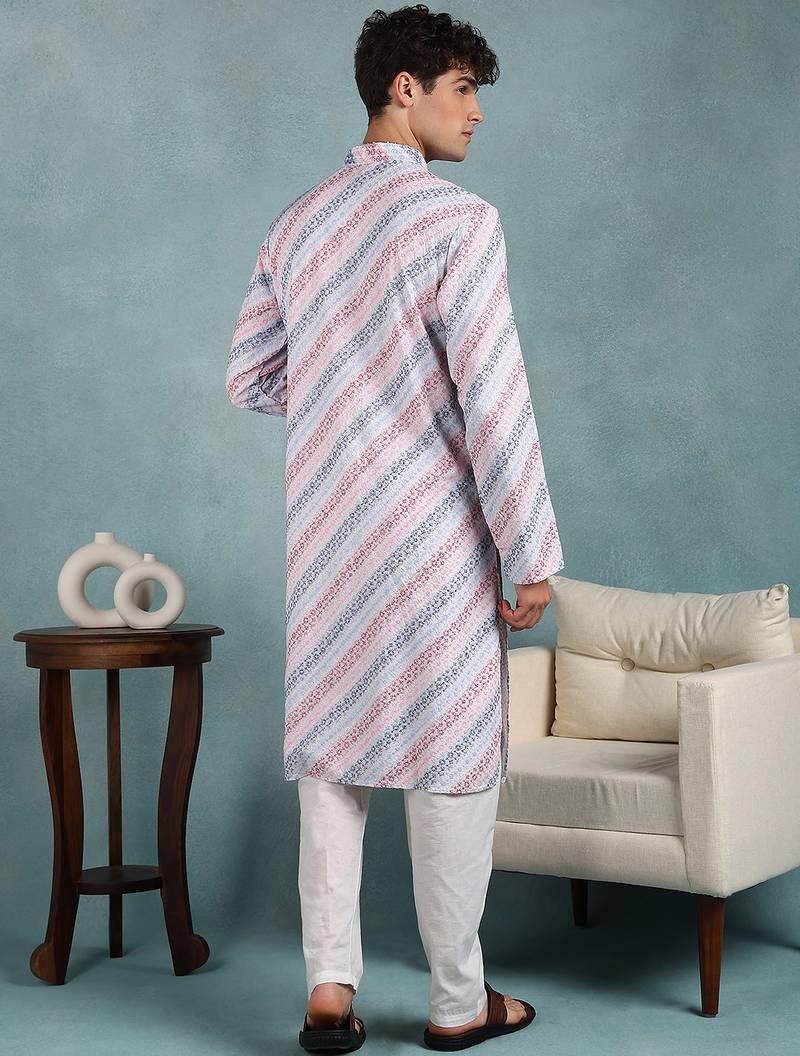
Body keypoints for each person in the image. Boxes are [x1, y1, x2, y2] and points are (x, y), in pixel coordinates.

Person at [227, 5, 565, 1050]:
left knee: (331, 762)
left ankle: (329, 991)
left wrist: (348, 400)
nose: (476, 113)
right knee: (451, 760)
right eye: (463, 89)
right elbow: (494, 402)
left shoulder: (297, 224)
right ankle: (459, 1003)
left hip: (327, 540)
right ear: (404, 88)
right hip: (434, 543)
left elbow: (250, 378)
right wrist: (529, 554)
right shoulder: (457, 223)